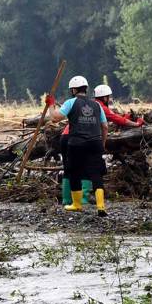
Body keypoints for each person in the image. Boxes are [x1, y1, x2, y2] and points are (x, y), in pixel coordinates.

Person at [47, 76, 109, 217]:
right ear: (86, 89)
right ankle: (100, 206)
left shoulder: (71, 102)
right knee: (96, 173)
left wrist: (51, 104)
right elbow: (105, 127)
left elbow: (55, 118)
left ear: (74, 90)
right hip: (95, 142)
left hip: (77, 143)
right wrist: (102, 143)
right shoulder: (97, 105)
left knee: (74, 172)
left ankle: (76, 204)